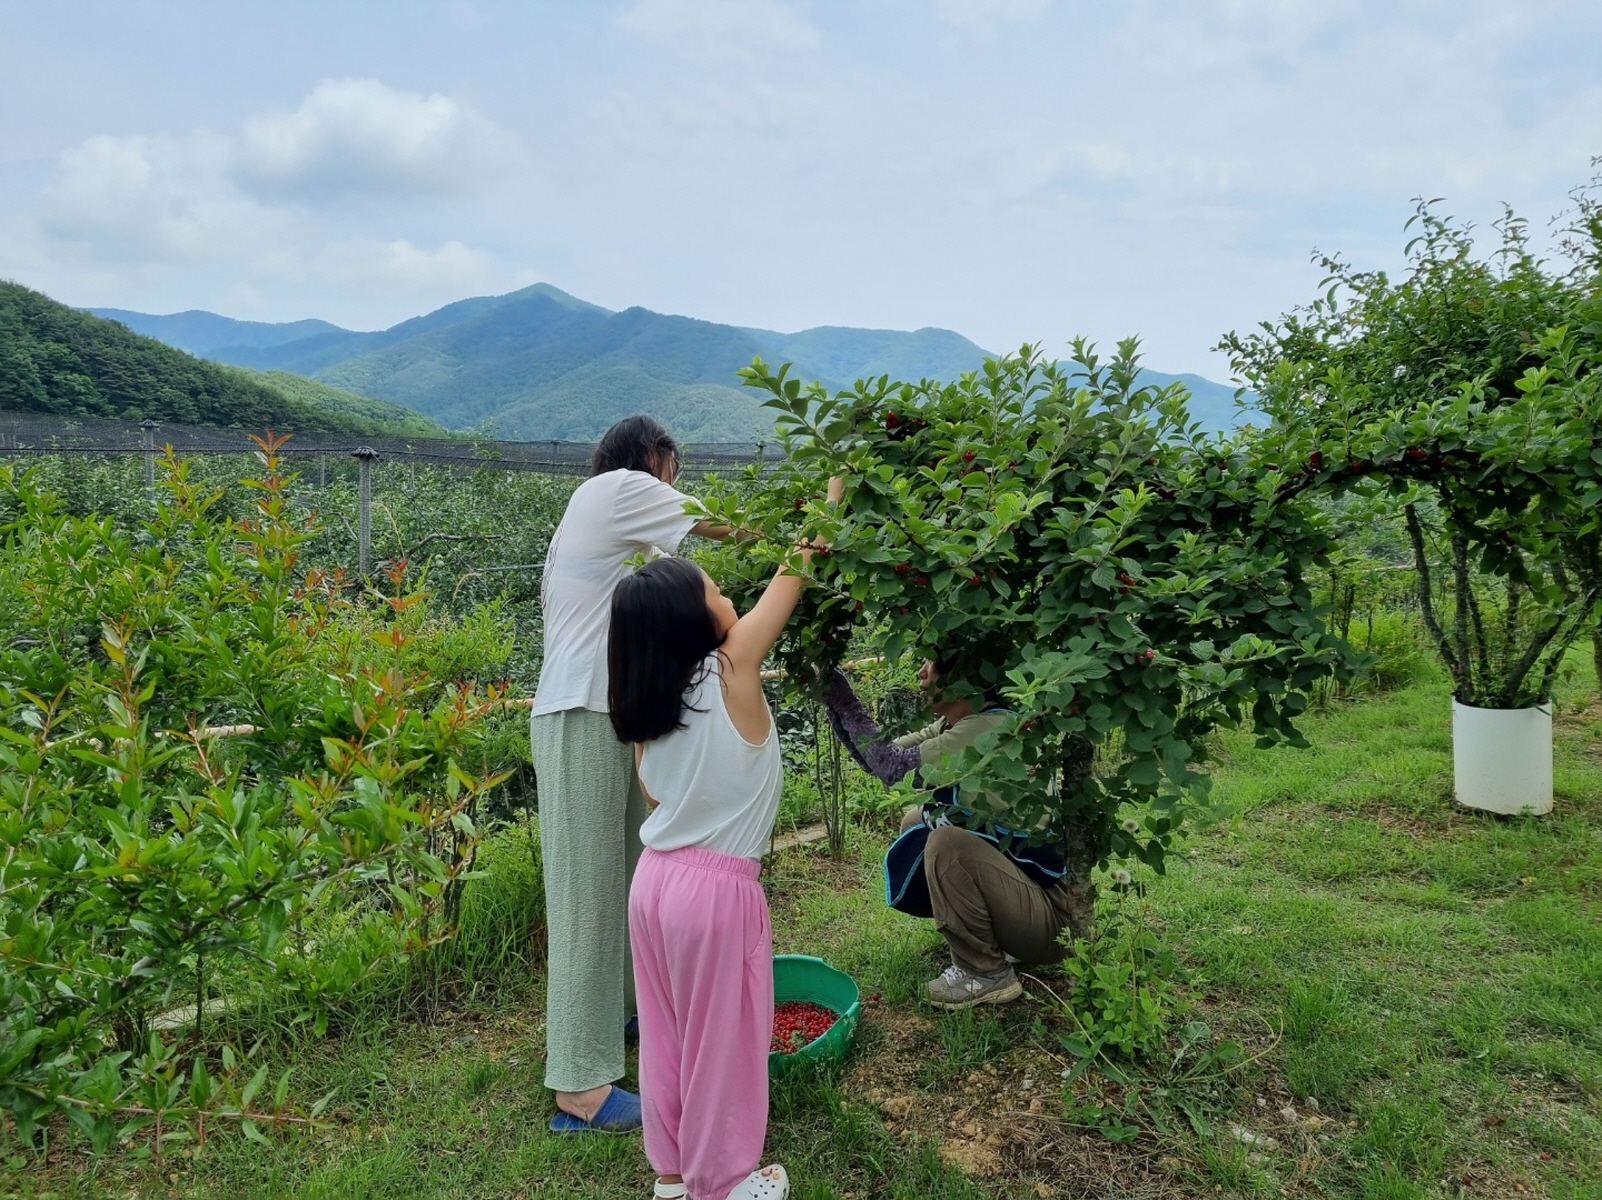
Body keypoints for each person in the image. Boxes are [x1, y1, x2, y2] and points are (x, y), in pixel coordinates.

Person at [610, 480, 840, 1200]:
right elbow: (798, 566)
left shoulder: (648, 703)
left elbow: (657, 795)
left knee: (669, 1037)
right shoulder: (732, 667)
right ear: (694, 619)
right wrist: (831, 496)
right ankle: (725, 1183)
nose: (729, 596)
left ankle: (675, 1176)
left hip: (653, 885)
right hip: (715, 892)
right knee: (725, 1045)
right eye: (715, 589)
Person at [530, 416, 733, 1133]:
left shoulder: (603, 516)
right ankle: (580, 1089)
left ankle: (622, 1015)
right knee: (589, 893)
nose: (671, 482)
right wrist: (808, 526)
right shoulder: (620, 490)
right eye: (670, 466)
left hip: (600, 714)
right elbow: (719, 527)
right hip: (578, 714)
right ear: (652, 458)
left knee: (633, 873)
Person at [821, 656, 1093, 1009]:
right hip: (1028, 900)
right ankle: (989, 943)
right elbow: (878, 760)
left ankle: (986, 973)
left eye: (930, 665)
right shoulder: (961, 723)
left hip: (1055, 921)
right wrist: (834, 701)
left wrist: (846, 701)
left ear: (962, 677)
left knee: (947, 842)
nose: (921, 673)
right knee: (915, 822)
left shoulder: (989, 729)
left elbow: (891, 767)